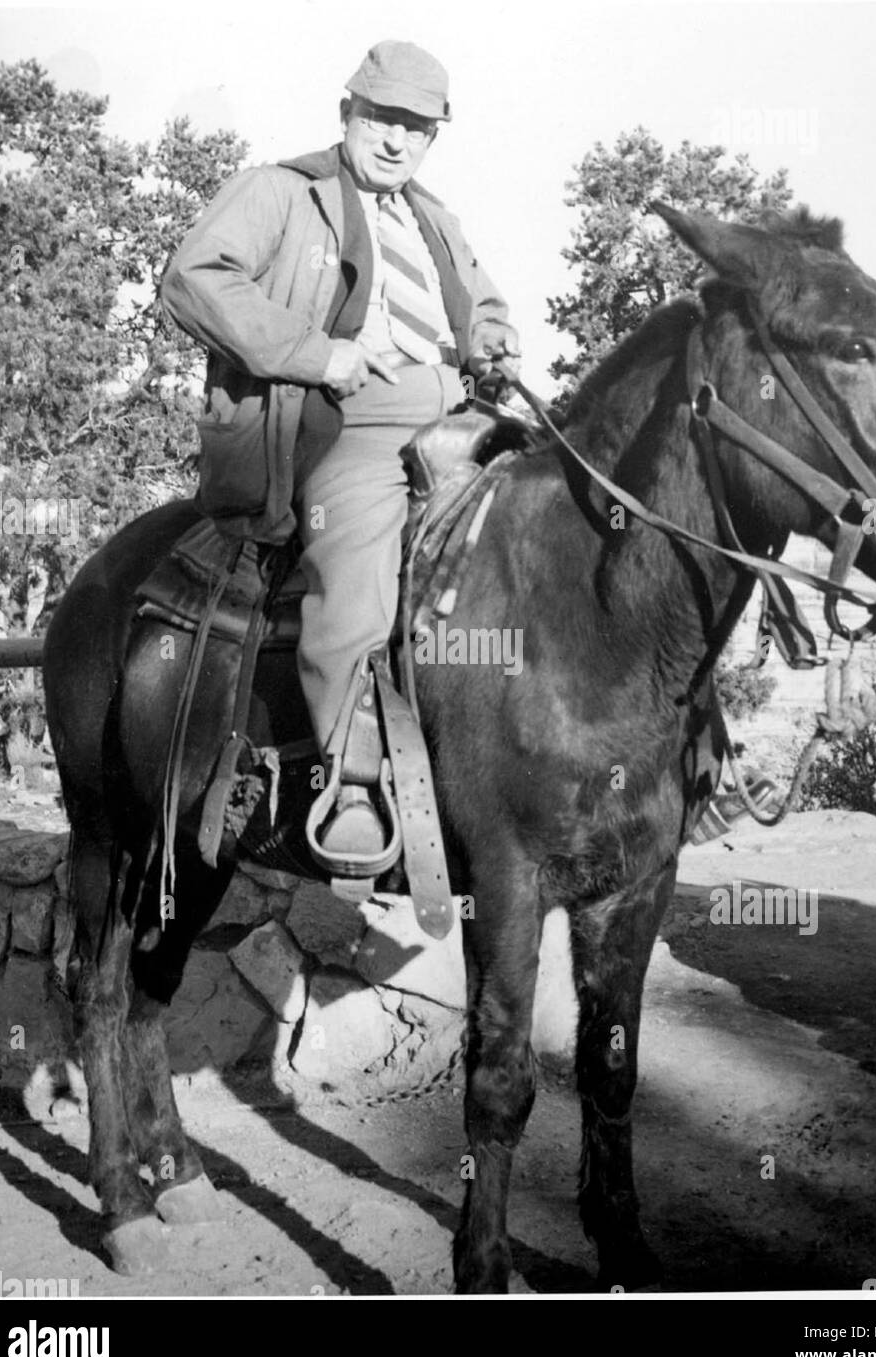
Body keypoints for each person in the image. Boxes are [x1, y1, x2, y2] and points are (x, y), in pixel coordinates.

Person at [161, 40, 520, 856]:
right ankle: (352, 782)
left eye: (417, 129)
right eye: (384, 119)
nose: (397, 141)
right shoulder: (280, 193)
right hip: (346, 424)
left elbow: (484, 303)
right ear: (348, 113)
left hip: (460, 421)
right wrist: (320, 353)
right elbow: (194, 277)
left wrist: (494, 339)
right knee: (358, 556)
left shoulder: (436, 220)